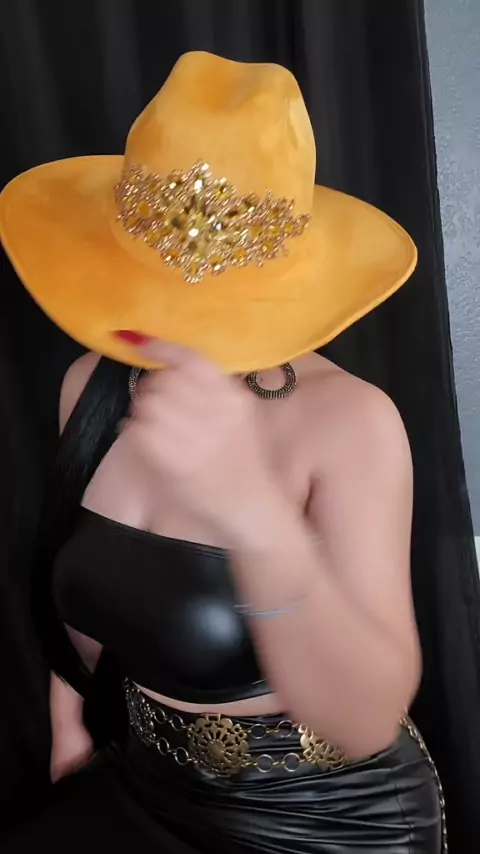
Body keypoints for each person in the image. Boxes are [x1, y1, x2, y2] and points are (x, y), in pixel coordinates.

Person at [0, 51, 444, 852]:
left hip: (325, 816)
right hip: (145, 779)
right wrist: (70, 724)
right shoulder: (91, 383)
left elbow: (367, 719)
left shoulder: (352, 421)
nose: (180, 315)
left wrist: (254, 515)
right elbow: (65, 587)